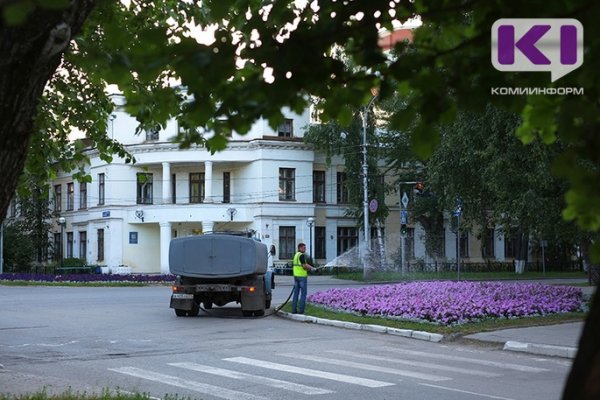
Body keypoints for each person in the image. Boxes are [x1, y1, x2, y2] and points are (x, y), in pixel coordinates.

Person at [291, 242, 314, 314]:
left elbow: (301, 265)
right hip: (302, 277)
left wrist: (311, 267)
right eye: (304, 248)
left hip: (296, 277)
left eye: (305, 248)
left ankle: (294, 310)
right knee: (303, 294)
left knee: (296, 294)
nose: (305, 249)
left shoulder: (296, 255)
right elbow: (304, 266)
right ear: (300, 248)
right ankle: (301, 311)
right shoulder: (301, 255)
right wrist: (311, 269)